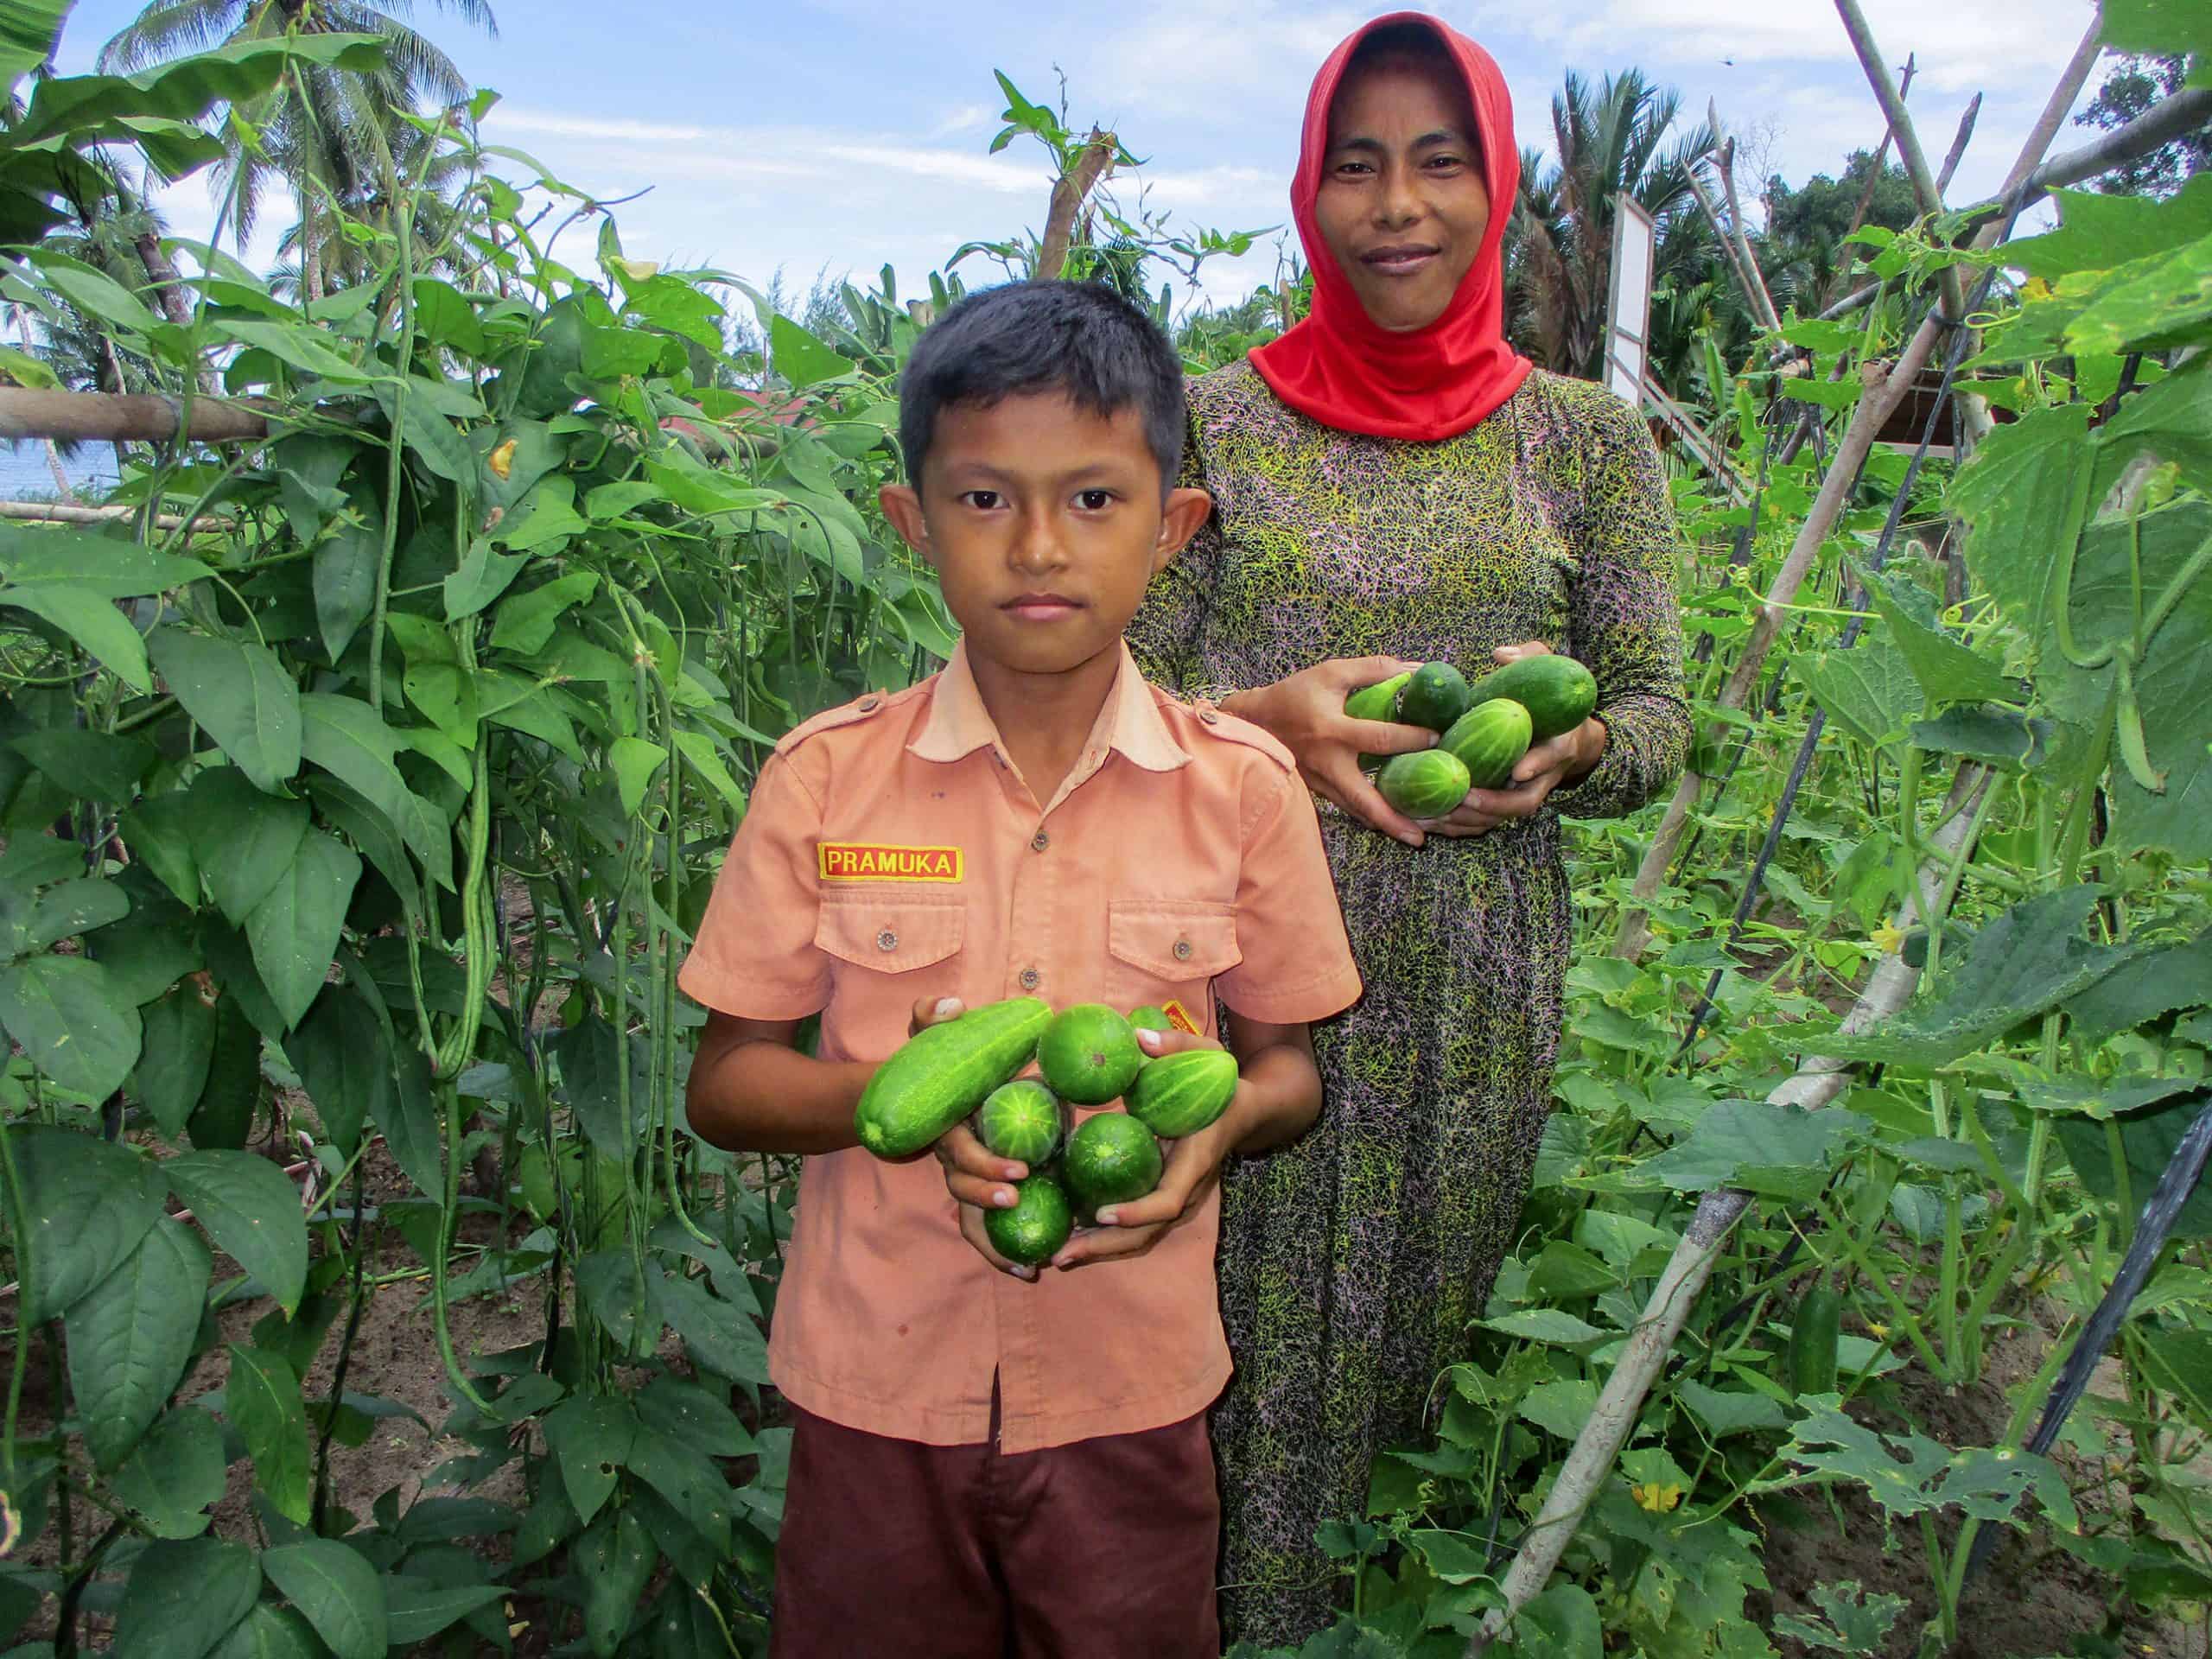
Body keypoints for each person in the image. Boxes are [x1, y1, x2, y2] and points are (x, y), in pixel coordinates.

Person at [680, 279, 1363, 1658]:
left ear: (1173, 530)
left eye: (1095, 500)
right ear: (910, 523)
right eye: (985, 500)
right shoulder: (824, 778)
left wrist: (1222, 1121)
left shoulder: (1242, 791)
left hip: (1129, 1393)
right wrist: (902, 1097)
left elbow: (1291, 1070)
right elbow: (726, 1083)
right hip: (879, 1392)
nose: (1040, 546)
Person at [1128, 12, 1692, 1645]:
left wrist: (1576, 743)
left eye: (1441, 163)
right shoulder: (1211, 423)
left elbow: (1659, 710)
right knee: (1204, 1350)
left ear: (1497, 187)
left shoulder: (1583, 438)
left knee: (1409, 1359)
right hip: (1224, 974)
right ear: (1310, 190)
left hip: (1468, 990)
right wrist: (1266, 731)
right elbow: (1098, 698)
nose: (1399, 204)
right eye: (1358, 164)